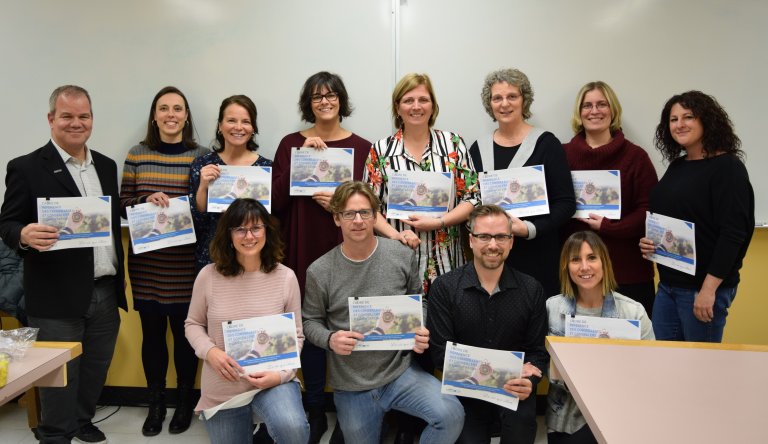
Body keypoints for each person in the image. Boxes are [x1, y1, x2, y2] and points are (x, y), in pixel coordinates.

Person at [0, 85, 126, 443]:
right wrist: (23, 233)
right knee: (58, 377)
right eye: (67, 116)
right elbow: (6, 223)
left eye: (83, 116)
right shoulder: (25, 167)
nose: (76, 123)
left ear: (91, 119)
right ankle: (56, 435)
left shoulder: (106, 165)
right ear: (51, 119)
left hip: (104, 288)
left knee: (94, 369)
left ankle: (82, 420)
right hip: (55, 295)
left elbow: (111, 219)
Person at [302, 181, 465, 444]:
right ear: (336, 218)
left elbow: (419, 302)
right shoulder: (320, 271)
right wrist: (330, 339)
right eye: (348, 214)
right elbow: (310, 321)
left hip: (399, 373)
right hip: (351, 384)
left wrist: (418, 327)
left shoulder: (401, 255)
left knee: (451, 415)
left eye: (365, 212)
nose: (358, 220)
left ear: (375, 216)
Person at [270, 71, 371, 443]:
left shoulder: (363, 147)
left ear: (341, 100)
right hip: (302, 247)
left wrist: (341, 203)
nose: (324, 102)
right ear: (308, 104)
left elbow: (371, 202)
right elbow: (274, 201)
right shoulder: (290, 144)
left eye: (330, 96)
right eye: (316, 97)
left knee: (347, 326)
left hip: (349, 251)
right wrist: (301, 161)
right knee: (310, 329)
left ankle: (351, 409)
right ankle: (314, 409)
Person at [119, 86, 209, 436]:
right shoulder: (137, 154)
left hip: (187, 264)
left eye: (178, 109)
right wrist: (144, 197)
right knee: (152, 336)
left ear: (186, 116)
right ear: (154, 116)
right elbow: (123, 200)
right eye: (164, 108)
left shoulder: (201, 155)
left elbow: (206, 206)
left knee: (185, 336)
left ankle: (184, 401)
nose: (171, 114)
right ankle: (156, 403)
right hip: (147, 263)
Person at [185, 198, 309, 444]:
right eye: (240, 229)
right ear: (228, 234)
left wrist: (281, 375)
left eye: (256, 228)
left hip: (273, 381)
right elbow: (193, 324)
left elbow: (297, 335)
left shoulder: (286, 277)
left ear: (267, 231)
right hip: (224, 385)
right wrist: (210, 352)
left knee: (293, 429)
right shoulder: (208, 275)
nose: (249, 236)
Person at [427, 204, 548, 444]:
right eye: (484, 236)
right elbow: (439, 352)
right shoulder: (445, 287)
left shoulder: (531, 289)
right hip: (465, 390)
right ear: (471, 240)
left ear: (511, 241)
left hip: (513, 389)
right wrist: (495, 373)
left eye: (501, 236)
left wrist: (530, 381)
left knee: (522, 425)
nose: (493, 245)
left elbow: (538, 352)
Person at [640, 91, 754, 343]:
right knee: (665, 365)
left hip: (702, 290)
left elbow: (734, 234)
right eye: (673, 119)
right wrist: (650, 242)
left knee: (700, 373)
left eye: (688, 117)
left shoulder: (728, 168)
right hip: (668, 286)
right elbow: (672, 218)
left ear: (706, 120)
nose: (679, 124)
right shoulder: (677, 166)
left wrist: (708, 290)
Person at [364, 72, 478, 296]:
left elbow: (473, 198)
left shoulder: (454, 144)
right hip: (395, 259)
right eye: (408, 100)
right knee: (404, 328)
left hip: (447, 261)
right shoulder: (380, 150)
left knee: (446, 326)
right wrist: (396, 235)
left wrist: (440, 222)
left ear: (433, 106)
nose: (416, 106)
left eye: (423, 100)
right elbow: (368, 207)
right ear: (397, 108)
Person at [469, 68, 575, 297]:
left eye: (512, 96)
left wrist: (528, 229)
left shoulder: (547, 144)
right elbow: (469, 202)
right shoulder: (477, 149)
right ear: (490, 104)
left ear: (524, 100)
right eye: (497, 98)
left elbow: (566, 203)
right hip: (490, 257)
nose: (504, 104)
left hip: (536, 257)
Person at [547, 231, 654, 444]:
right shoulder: (552, 307)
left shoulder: (633, 312)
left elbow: (651, 372)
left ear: (604, 262)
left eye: (592, 258)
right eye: (576, 260)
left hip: (619, 415)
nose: (584, 267)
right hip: (566, 418)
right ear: (566, 267)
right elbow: (551, 372)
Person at [562, 81, 658, 316]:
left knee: (633, 350)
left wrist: (609, 227)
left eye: (601, 104)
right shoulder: (561, 155)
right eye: (587, 105)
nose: (594, 111)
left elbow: (650, 211)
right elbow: (555, 206)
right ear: (579, 112)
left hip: (628, 274)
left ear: (613, 110)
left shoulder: (636, 157)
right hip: (577, 276)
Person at [190, 95, 272, 273]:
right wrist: (204, 186)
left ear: (253, 128)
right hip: (212, 256)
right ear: (220, 126)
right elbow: (198, 219)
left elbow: (270, 222)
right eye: (231, 120)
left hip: (254, 257)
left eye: (246, 122)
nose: (239, 127)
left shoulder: (266, 168)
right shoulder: (202, 165)